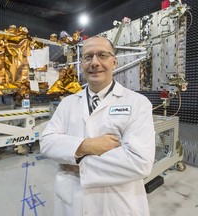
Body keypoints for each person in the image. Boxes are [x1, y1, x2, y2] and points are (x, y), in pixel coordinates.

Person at [39, 36, 155, 216]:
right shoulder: (68, 103)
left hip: (117, 204)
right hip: (72, 202)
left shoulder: (138, 103)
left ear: (114, 62)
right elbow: (46, 143)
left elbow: (139, 162)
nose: (94, 63)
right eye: (88, 57)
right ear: (81, 63)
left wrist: (75, 158)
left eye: (102, 55)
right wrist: (88, 145)